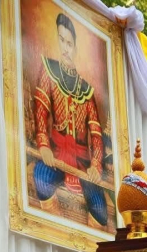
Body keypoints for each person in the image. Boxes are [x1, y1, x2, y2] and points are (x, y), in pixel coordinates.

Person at [33, 13, 108, 226]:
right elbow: (41, 111)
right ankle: (54, 228)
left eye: (69, 43)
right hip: (55, 155)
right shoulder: (49, 70)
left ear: (76, 48)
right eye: (61, 40)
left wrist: (95, 166)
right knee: (41, 178)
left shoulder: (87, 91)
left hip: (82, 164)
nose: (65, 48)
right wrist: (44, 146)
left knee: (101, 212)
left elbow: (96, 135)